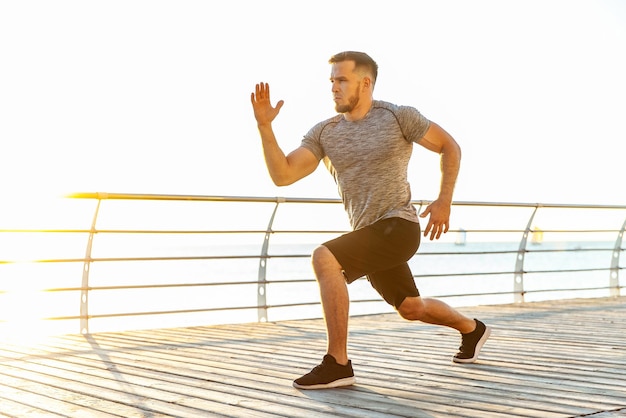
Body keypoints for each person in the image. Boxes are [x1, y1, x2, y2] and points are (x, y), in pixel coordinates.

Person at [250, 51, 490, 390]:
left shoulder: (397, 117)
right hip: (368, 233)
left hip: (399, 225)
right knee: (410, 307)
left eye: (342, 80)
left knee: (325, 257)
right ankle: (472, 329)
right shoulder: (325, 132)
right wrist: (265, 127)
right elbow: (283, 175)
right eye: (331, 80)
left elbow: (449, 146)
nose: (334, 87)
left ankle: (338, 363)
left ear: (366, 83)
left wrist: (444, 200)